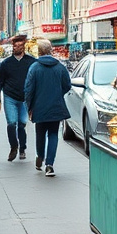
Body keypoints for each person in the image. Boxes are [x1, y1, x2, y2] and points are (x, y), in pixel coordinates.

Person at [23, 39, 70, 175]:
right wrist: (58, 94)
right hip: (56, 106)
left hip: (39, 107)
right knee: (54, 134)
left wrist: (29, 107)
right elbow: (67, 85)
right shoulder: (60, 67)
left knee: (40, 133)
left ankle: (40, 156)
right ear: (51, 50)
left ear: (39, 51)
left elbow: (28, 89)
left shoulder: (34, 67)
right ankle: (50, 164)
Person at [0, 34, 36, 162]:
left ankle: (22, 148)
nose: (17, 47)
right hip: (10, 97)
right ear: (12, 47)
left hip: (25, 98)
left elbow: (36, 82)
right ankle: (14, 146)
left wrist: (34, 101)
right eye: (15, 45)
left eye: (20, 45)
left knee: (22, 124)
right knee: (11, 123)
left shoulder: (32, 62)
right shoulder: (6, 63)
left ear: (24, 46)